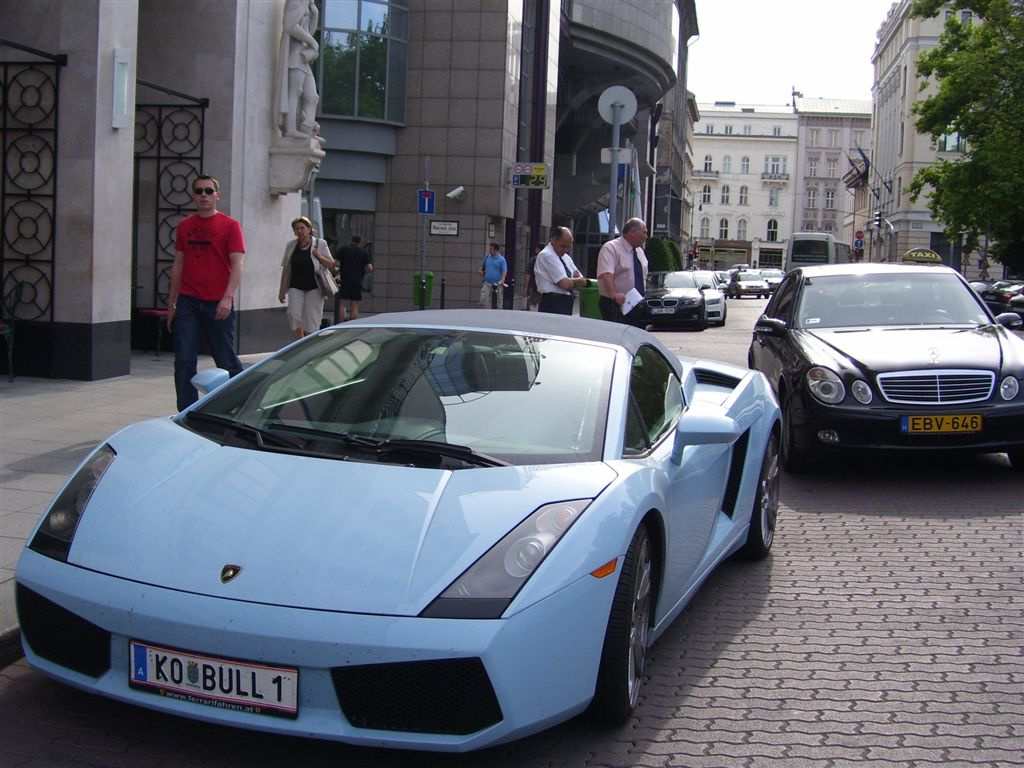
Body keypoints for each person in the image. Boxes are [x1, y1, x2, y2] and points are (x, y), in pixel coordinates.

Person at [167, 174, 245, 412]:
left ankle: (241, 405)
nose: (204, 195)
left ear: (217, 196)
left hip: (217, 301)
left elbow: (238, 264)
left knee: (225, 358)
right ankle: (186, 411)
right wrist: (171, 304)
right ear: (193, 196)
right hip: (189, 300)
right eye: (199, 191)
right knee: (184, 360)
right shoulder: (185, 226)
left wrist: (227, 297)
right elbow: (179, 263)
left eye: (209, 191)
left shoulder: (230, 226)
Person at [278, 216, 336, 339]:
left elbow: (331, 264)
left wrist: (319, 257)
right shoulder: (291, 245)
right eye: (296, 228)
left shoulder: (320, 244)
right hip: (295, 285)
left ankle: (311, 343)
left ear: (309, 229)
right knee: (293, 315)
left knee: (312, 319)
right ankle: (301, 340)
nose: (300, 231)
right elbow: (286, 268)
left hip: (315, 286)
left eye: (302, 228)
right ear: (294, 231)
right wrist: (282, 290)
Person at [275, 0, 320, 138]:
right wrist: (312, 41)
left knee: (312, 97)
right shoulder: (296, 1)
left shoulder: (306, 4)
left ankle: (307, 128)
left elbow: (309, 32)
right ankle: (290, 129)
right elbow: (289, 25)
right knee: (294, 92)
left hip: (304, 57)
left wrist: (315, 14)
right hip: (296, 55)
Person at [597, 217, 650, 324]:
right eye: (644, 232)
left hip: (637, 304)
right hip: (616, 305)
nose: (646, 236)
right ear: (633, 232)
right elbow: (606, 273)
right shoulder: (611, 248)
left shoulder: (639, 252)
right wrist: (614, 294)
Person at [534, 226, 587, 315]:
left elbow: (583, 281)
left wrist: (569, 281)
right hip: (552, 301)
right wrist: (572, 281)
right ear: (553, 240)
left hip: (566, 301)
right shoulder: (547, 255)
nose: (565, 250)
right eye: (563, 246)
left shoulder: (566, 258)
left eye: (568, 247)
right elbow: (565, 284)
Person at [336, 235, 373, 321]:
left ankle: (340, 324)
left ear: (351, 240)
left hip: (345, 279)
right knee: (354, 305)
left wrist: (337, 271)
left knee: (342, 304)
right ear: (360, 242)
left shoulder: (343, 249)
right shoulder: (364, 252)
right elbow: (370, 268)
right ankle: (352, 324)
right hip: (357, 280)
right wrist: (363, 273)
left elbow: (335, 263)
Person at [479, 243, 508, 309]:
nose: (490, 251)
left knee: (499, 300)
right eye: (490, 249)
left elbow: (504, 271)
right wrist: (480, 271)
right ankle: (485, 313)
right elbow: (481, 266)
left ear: (496, 250)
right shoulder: (487, 256)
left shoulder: (501, 259)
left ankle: (498, 313)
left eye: (491, 249)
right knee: (483, 298)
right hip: (487, 282)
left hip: (497, 282)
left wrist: (502, 280)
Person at [524, 242, 543, 311]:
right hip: (544, 286)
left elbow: (528, 273)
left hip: (534, 285)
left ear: (538, 249)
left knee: (532, 303)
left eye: (536, 249)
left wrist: (526, 287)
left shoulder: (533, 260)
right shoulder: (548, 260)